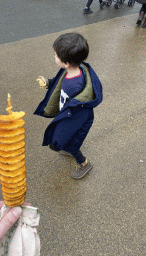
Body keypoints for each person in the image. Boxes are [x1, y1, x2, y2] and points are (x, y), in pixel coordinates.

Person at [34, 33, 103, 179]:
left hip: (78, 120)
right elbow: (59, 84)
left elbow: (74, 120)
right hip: (69, 115)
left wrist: (61, 136)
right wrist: (48, 83)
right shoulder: (71, 71)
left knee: (70, 145)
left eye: (55, 55)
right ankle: (66, 146)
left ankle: (84, 164)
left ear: (66, 62)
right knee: (63, 142)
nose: (54, 56)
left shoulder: (75, 86)